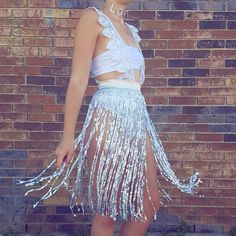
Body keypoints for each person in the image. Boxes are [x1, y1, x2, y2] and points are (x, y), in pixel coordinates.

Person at [16, 1, 204, 235]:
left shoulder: (129, 29)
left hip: (137, 118)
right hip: (107, 116)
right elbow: (78, 81)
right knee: (107, 212)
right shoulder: (93, 18)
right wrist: (67, 138)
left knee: (149, 203)